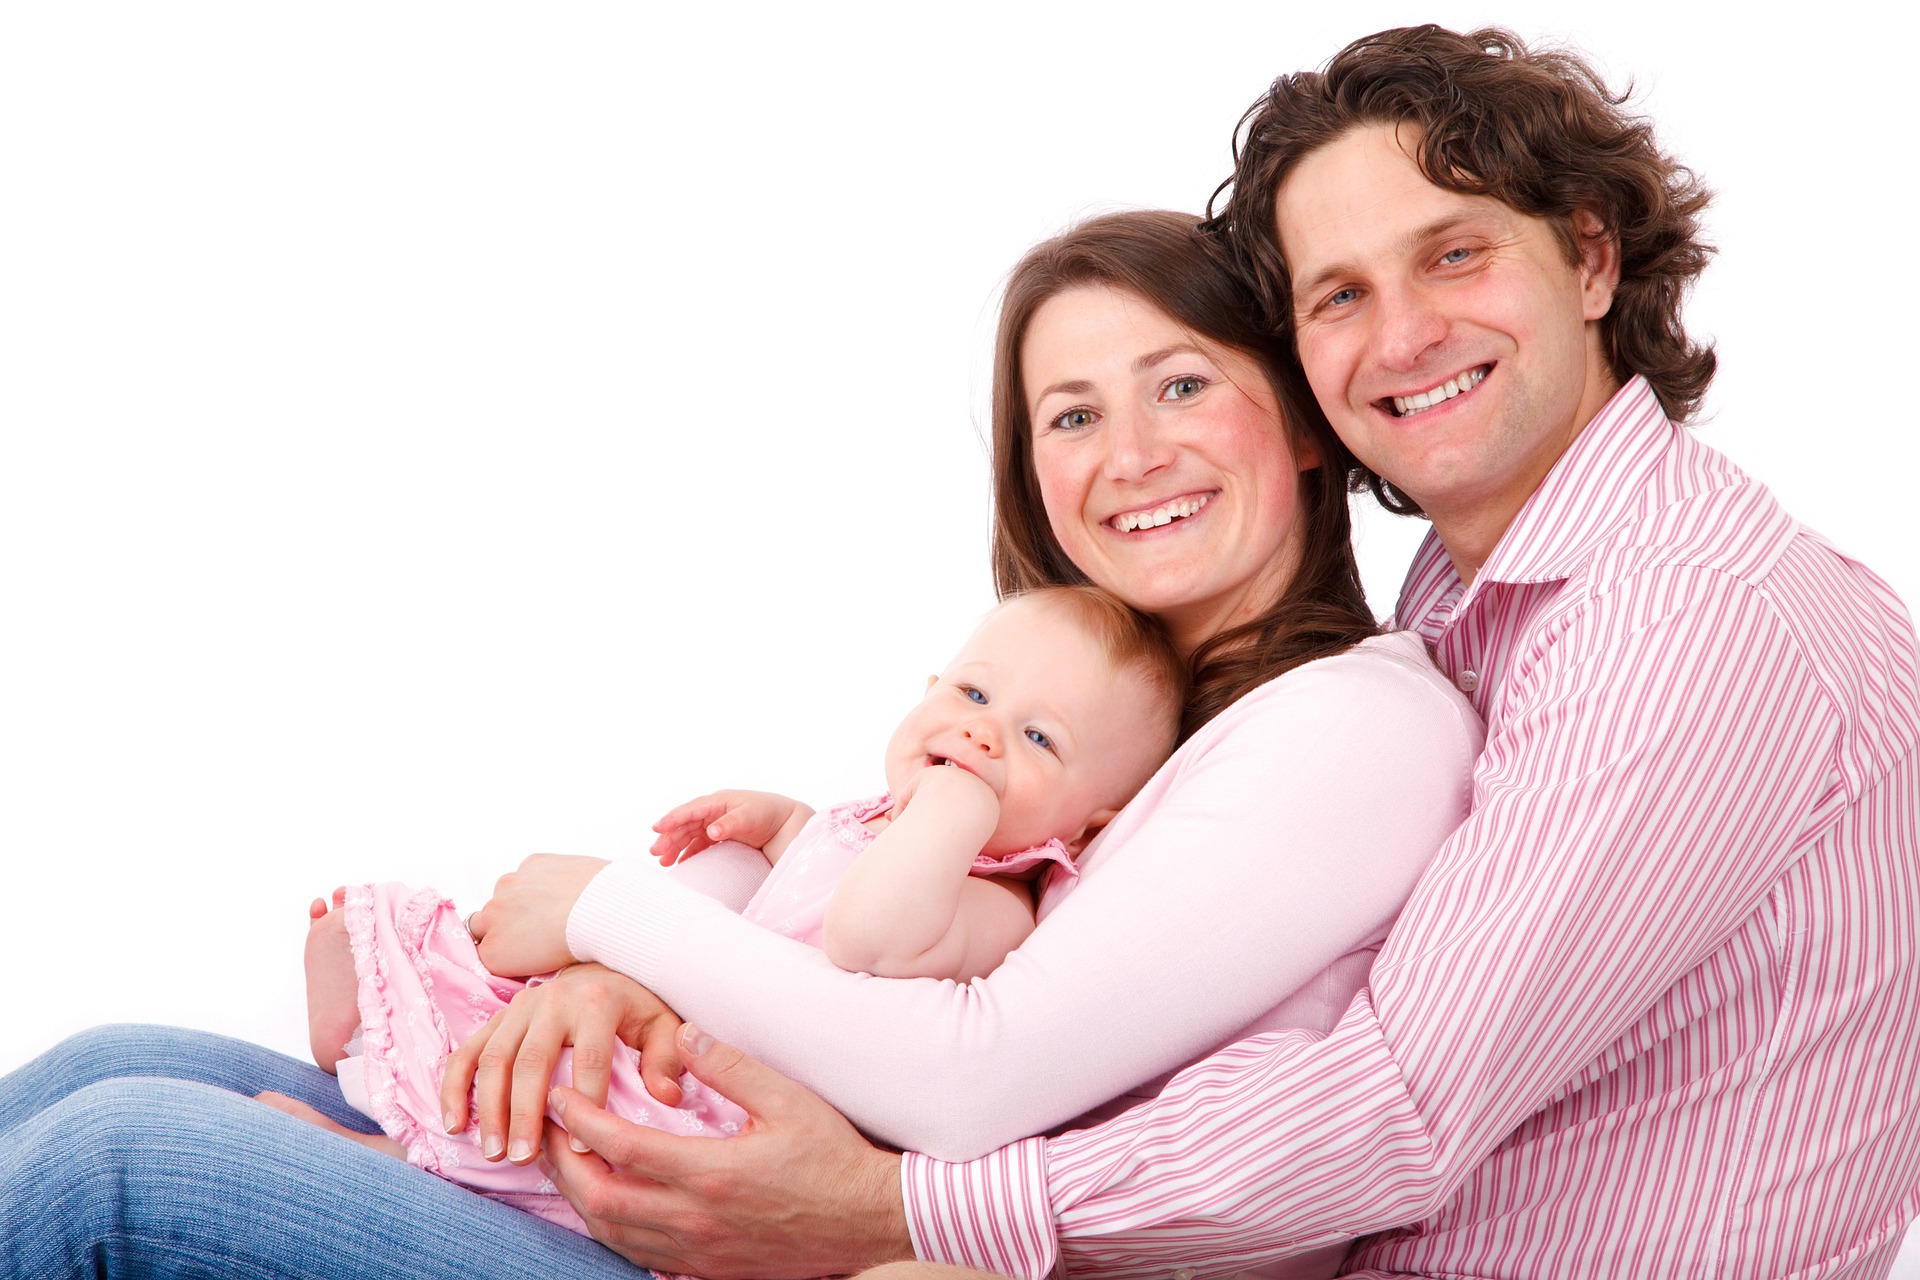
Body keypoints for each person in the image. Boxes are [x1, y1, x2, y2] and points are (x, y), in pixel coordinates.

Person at [448, 25, 1920, 1278]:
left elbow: (1390, 1110)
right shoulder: (1477, 609)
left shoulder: (1680, 621)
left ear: (1591, 257)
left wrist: (884, 1205)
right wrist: (669, 981)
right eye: (1339, 294)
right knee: (299, 1103)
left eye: (1455, 254)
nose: (1402, 335)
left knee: (283, 1176)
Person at [0, 208, 1482, 1279]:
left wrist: (606, 913)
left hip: (781, 1245)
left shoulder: (1347, 719)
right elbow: (845, 934)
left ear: (1305, 422)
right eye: (1071, 414)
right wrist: (625, 984)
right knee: (110, 1063)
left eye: (1182, 385)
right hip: (726, 1177)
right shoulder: (1117, 731)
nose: (1131, 454)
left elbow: (972, 1073)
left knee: (109, 1163)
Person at [280, 585, 1186, 1235]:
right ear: (927, 691)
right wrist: (779, 823)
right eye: (973, 695)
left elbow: (863, 937)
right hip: (675, 1020)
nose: (983, 733)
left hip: (724, 1104)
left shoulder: (997, 904)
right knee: (524, 1024)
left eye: (1037, 738)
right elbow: (814, 874)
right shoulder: (878, 822)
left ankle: (382, 1159)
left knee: (560, 1129)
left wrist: (953, 805)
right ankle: (373, 1026)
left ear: (1091, 819)